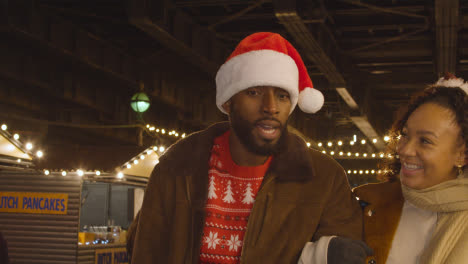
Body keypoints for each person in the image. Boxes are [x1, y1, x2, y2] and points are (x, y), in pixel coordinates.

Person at [130, 32, 369, 263]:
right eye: (254, 92)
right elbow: (146, 252)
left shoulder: (325, 177)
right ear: (228, 100)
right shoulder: (177, 167)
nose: (270, 107)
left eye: (283, 96)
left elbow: (342, 252)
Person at [354, 73, 468, 264]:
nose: (405, 150)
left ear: (462, 155)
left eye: (425, 141)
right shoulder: (365, 202)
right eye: (405, 135)